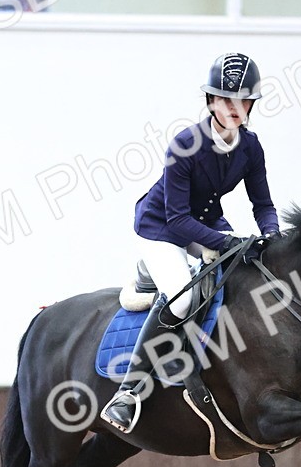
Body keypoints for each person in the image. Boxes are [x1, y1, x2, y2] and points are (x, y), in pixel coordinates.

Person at [100, 52, 281, 433]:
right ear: (211, 102)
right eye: (226, 100)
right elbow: (176, 218)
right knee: (183, 298)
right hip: (162, 227)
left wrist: (271, 234)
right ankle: (129, 391)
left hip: (205, 222)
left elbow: (262, 204)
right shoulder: (185, 144)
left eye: (243, 101)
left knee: (242, 277)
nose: (235, 108)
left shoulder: (251, 147)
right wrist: (227, 240)